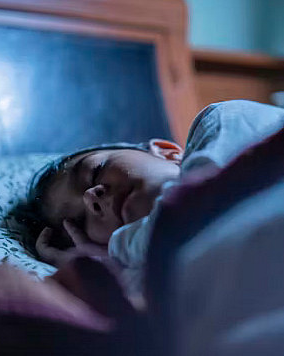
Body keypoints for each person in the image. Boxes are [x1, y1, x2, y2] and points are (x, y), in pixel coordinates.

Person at [22, 100, 284, 277]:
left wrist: (114, 251)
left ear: (168, 152)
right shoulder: (168, 266)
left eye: (94, 172)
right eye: (79, 223)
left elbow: (194, 212)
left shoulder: (222, 120)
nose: (92, 198)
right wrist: (95, 270)